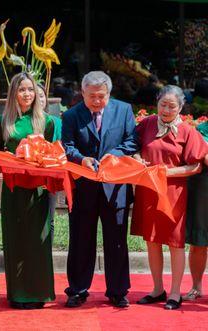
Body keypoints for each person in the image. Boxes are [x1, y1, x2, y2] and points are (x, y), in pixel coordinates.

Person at [61, 71, 138, 308]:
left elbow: (132, 141)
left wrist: (113, 155)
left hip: (115, 187)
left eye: (101, 96)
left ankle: (117, 291)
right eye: (91, 96)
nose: (96, 101)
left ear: (109, 93)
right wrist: (81, 158)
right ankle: (78, 290)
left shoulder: (123, 110)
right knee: (81, 239)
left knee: (116, 240)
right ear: (82, 93)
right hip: (83, 187)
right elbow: (66, 145)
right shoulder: (72, 115)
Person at [131, 85, 208, 310]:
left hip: (174, 193)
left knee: (175, 243)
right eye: (163, 104)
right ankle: (157, 289)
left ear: (180, 107)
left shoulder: (187, 131)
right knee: (152, 240)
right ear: (156, 103)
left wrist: (167, 172)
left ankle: (175, 292)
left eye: (171, 106)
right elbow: (133, 147)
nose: (166, 109)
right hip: (148, 190)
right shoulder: (146, 124)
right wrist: (137, 158)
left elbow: (195, 166)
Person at [0, 73, 60, 309]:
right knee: (16, 238)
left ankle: (39, 293)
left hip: (39, 191)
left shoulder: (48, 122)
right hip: (13, 190)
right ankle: (18, 294)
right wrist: (11, 157)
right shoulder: (4, 122)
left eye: (30, 90)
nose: (27, 94)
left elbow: (55, 156)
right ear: (13, 93)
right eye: (22, 90)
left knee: (38, 240)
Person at [183, 121, 208, 302]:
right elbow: (203, 156)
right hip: (203, 191)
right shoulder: (200, 130)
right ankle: (196, 287)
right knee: (199, 240)